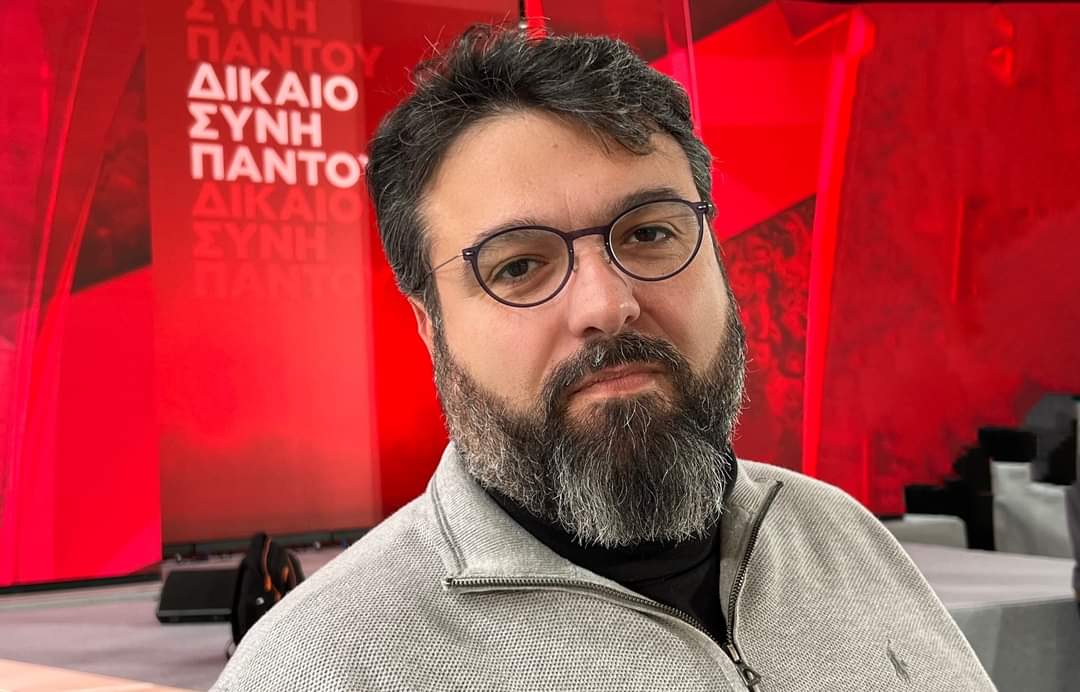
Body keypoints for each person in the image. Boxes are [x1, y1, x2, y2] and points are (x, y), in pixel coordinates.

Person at [212, 24, 995, 691]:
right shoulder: (319, 669)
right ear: (431, 327)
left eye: (650, 233)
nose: (607, 304)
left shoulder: (841, 538)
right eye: (519, 265)